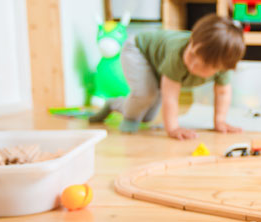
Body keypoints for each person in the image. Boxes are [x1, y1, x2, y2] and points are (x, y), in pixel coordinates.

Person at [90, 14, 245, 140]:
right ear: (192, 40)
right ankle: (129, 119)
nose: (192, 64)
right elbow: (170, 96)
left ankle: (114, 104)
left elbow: (223, 92)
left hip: (158, 64)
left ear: (221, 68)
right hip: (138, 50)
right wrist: (173, 128)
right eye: (192, 53)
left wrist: (220, 121)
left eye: (202, 65)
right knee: (146, 96)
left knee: (147, 116)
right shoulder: (177, 54)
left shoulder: (222, 65)